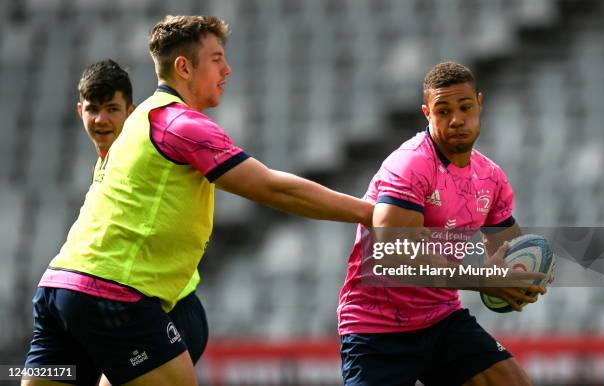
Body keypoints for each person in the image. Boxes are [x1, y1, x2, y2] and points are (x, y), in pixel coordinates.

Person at [22, 15, 373, 386]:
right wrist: (370, 213)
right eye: (217, 58)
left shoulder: (139, 119)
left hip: (58, 291)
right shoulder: (181, 125)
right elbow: (273, 188)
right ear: (184, 67)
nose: (227, 69)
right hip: (112, 294)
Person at [337, 62, 546, 386]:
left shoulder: (491, 177)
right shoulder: (409, 164)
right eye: (443, 110)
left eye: (465, 107)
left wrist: (520, 280)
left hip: (441, 317)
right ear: (426, 113)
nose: (457, 119)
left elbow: (508, 252)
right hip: (377, 326)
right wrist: (484, 279)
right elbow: (394, 258)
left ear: (479, 103)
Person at [76, 59, 209, 386]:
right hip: (134, 311)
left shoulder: (141, 155)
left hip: (170, 311)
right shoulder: (106, 166)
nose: (101, 119)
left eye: (112, 109)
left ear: (131, 111)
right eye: (93, 109)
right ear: (80, 111)